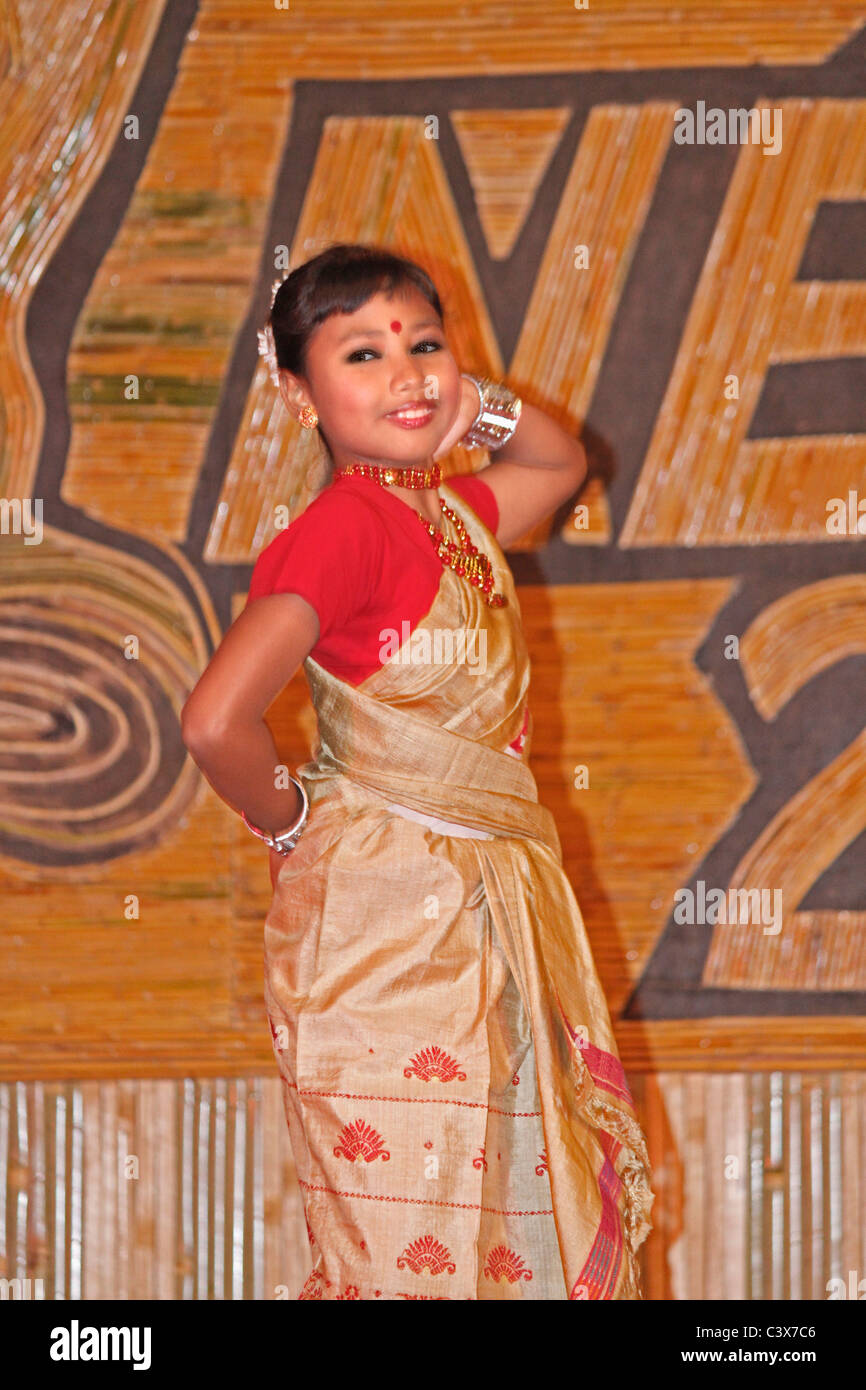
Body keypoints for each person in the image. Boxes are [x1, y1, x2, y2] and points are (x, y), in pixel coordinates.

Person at [181, 242, 654, 1300]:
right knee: (404, 1255)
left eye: (422, 345)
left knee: (493, 1240)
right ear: (297, 393)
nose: (403, 374)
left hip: (481, 921)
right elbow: (216, 720)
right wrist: (290, 819)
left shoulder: (452, 521)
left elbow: (555, 461)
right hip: (388, 943)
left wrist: (460, 403)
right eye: (361, 354)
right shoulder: (345, 527)